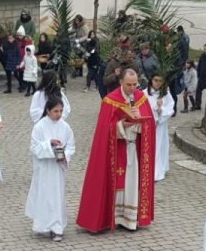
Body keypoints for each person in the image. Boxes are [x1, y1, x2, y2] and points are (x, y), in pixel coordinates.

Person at [76, 68, 156, 233]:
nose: (133, 88)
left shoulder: (141, 99)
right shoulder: (110, 100)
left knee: (132, 183)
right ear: (120, 82)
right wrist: (121, 125)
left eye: (135, 84)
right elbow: (103, 130)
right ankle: (113, 217)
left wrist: (140, 119)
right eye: (129, 84)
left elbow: (150, 126)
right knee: (118, 184)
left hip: (134, 148)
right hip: (117, 149)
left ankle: (130, 220)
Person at [26, 96, 76, 242]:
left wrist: (64, 155)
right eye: (55, 111)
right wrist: (49, 144)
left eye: (61, 111)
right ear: (48, 111)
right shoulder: (39, 127)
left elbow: (71, 146)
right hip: (44, 168)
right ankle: (43, 225)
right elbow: (34, 148)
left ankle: (57, 227)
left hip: (57, 168)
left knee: (57, 196)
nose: (59, 114)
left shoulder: (65, 127)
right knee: (44, 196)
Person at [147, 74, 175, 182]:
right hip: (149, 125)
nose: (158, 83)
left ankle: (158, 169)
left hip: (160, 126)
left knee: (159, 146)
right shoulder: (145, 93)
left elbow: (170, 108)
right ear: (151, 80)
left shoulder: (165, 94)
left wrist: (160, 109)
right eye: (156, 80)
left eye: (160, 81)